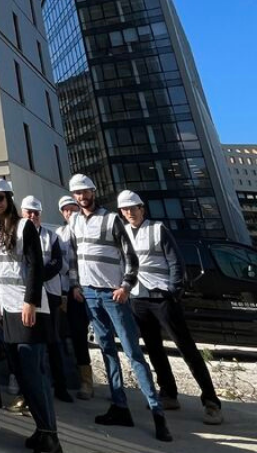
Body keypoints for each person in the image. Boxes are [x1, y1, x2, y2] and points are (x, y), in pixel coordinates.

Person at [68, 174, 171, 442]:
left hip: (113, 295)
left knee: (132, 352)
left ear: (93, 191)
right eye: (77, 193)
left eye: (85, 192)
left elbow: (130, 256)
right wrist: (75, 284)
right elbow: (73, 255)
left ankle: (157, 412)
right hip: (89, 294)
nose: (82, 197)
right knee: (106, 351)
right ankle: (119, 406)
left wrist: (125, 286)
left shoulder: (111, 219)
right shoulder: (75, 220)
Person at [118, 190, 223, 425]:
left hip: (162, 297)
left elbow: (176, 261)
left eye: (133, 208)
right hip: (139, 298)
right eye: (125, 209)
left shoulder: (157, 229)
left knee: (186, 348)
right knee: (154, 348)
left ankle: (211, 401)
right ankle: (168, 393)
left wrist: (174, 291)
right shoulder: (123, 233)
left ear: (142, 208)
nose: (129, 213)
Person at [0, 177, 62, 453]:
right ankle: (42, 429)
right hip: (8, 310)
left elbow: (35, 265)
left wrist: (30, 302)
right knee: (21, 373)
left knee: (34, 373)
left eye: (0, 197)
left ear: (9, 198)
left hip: (28, 310)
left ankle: (51, 436)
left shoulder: (24, 226)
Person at [21, 195, 74, 404]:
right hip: (26, 298)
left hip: (49, 295)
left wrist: (36, 276)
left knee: (53, 341)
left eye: (36, 213)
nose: (33, 216)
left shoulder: (51, 237)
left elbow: (56, 264)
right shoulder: (18, 236)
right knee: (31, 344)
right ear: (22, 213)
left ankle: (60, 386)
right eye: (29, 212)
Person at [55, 195, 92, 400]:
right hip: (64, 291)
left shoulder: (85, 232)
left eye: (73, 209)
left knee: (79, 334)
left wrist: (76, 285)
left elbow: (79, 262)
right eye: (66, 210)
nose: (70, 213)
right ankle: (70, 377)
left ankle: (86, 380)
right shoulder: (59, 234)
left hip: (81, 290)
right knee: (64, 334)